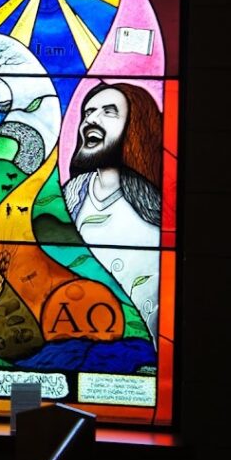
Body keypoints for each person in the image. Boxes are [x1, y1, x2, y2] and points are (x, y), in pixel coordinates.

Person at [63, 82, 162, 343]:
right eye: (88, 112)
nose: (91, 120)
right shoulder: (70, 196)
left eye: (108, 112)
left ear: (136, 127)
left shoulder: (157, 211)